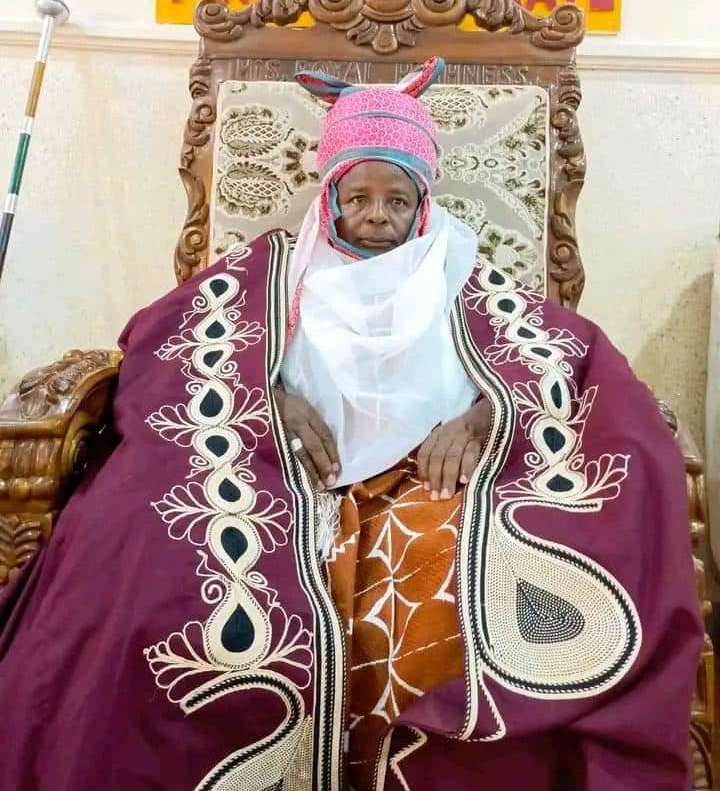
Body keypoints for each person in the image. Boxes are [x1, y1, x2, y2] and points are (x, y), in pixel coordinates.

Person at [0, 58, 702, 791]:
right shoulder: (271, 268)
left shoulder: (460, 271)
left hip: (431, 483)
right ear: (329, 192)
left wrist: (487, 414)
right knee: (147, 566)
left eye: (398, 199)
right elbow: (164, 342)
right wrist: (259, 395)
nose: (377, 216)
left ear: (424, 201)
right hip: (277, 470)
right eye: (358, 196)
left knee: (478, 586)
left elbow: (567, 356)